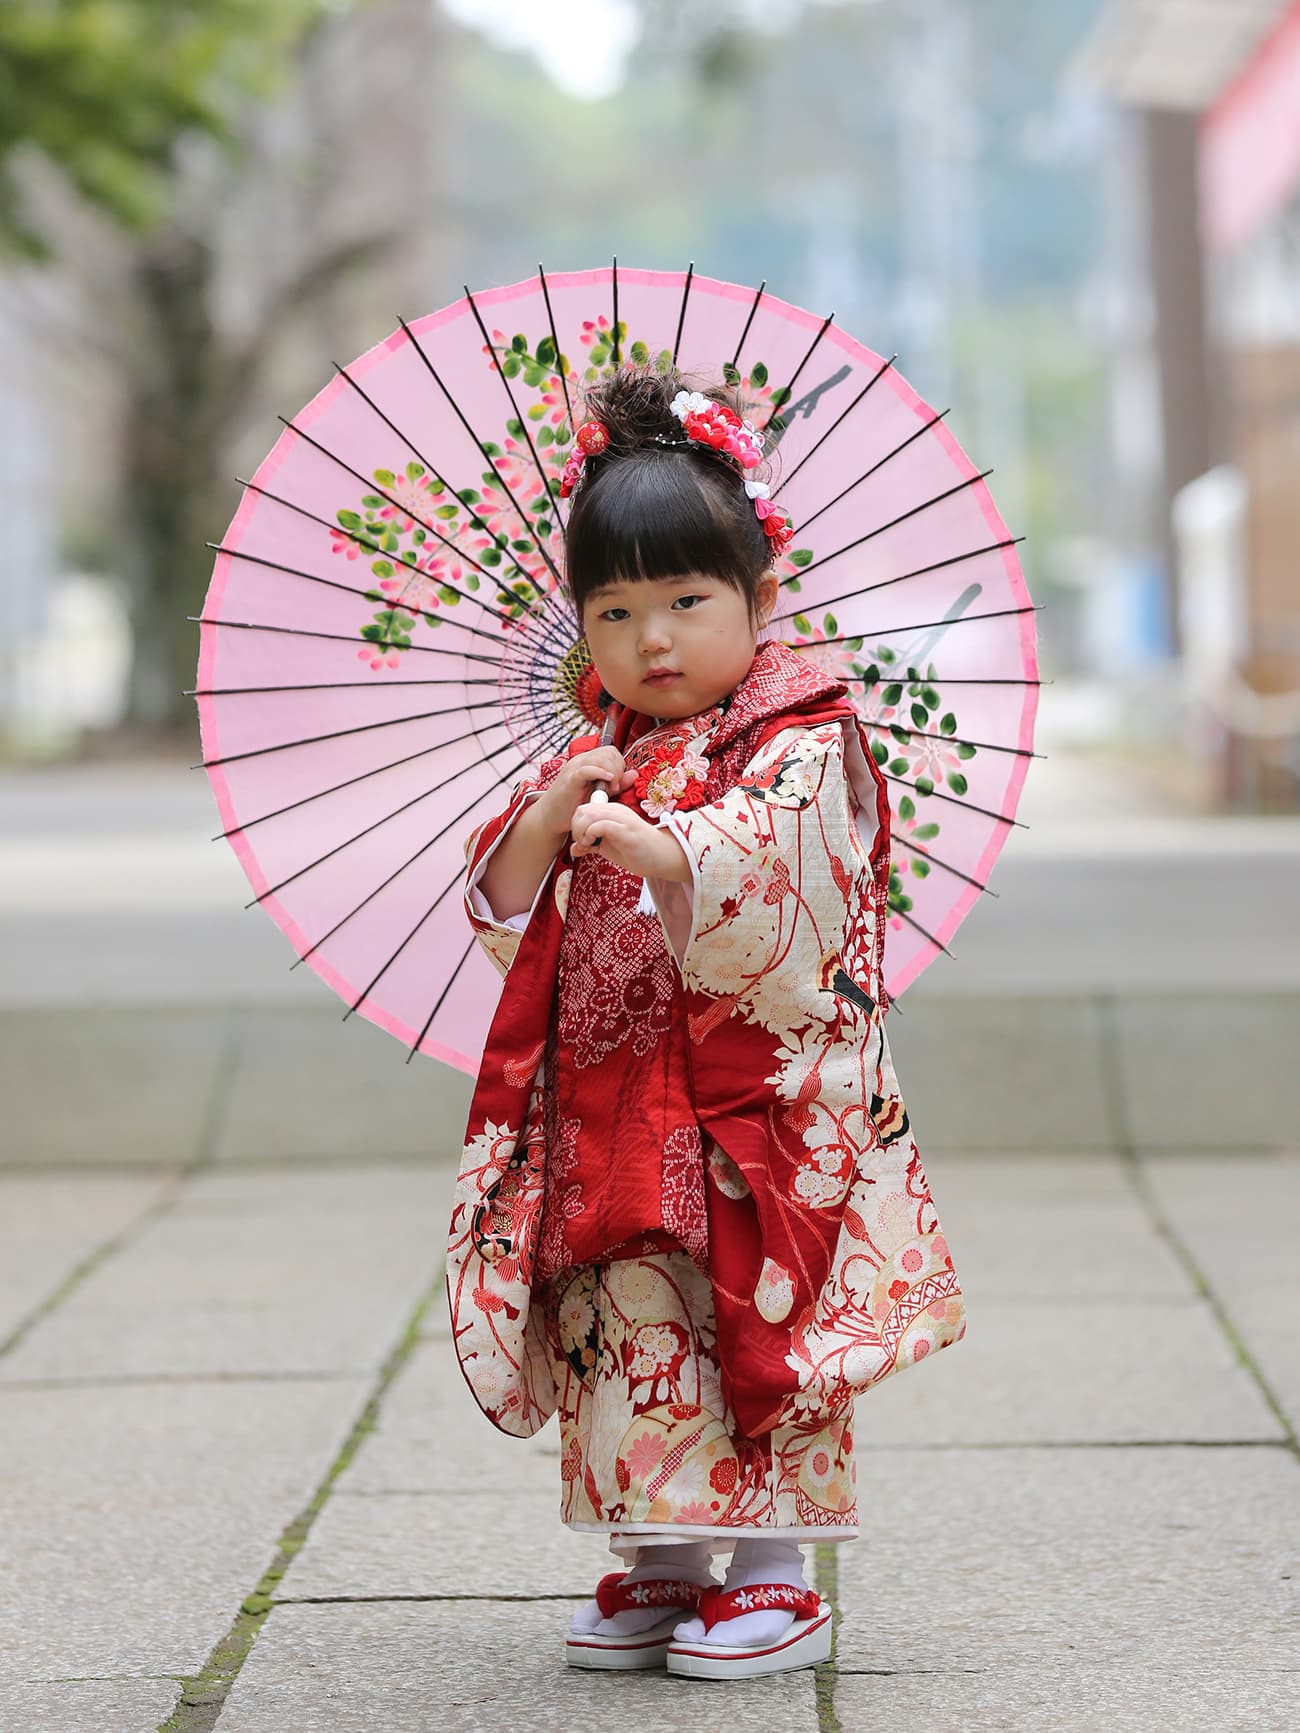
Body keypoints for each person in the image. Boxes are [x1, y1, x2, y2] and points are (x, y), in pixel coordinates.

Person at [446, 362, 968, 1682]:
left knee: (759, 1315)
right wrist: (553, 814)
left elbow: (794, 868)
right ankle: (667, 1551)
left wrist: (673, 850)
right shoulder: (599, 751)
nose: (653, 640)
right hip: (621, 1100)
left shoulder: (803, 735)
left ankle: (779, 1566)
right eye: (615, 612)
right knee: (635, 1313)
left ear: (760, 597)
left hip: (755, 1105)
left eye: (687, 600)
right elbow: (505, 906)